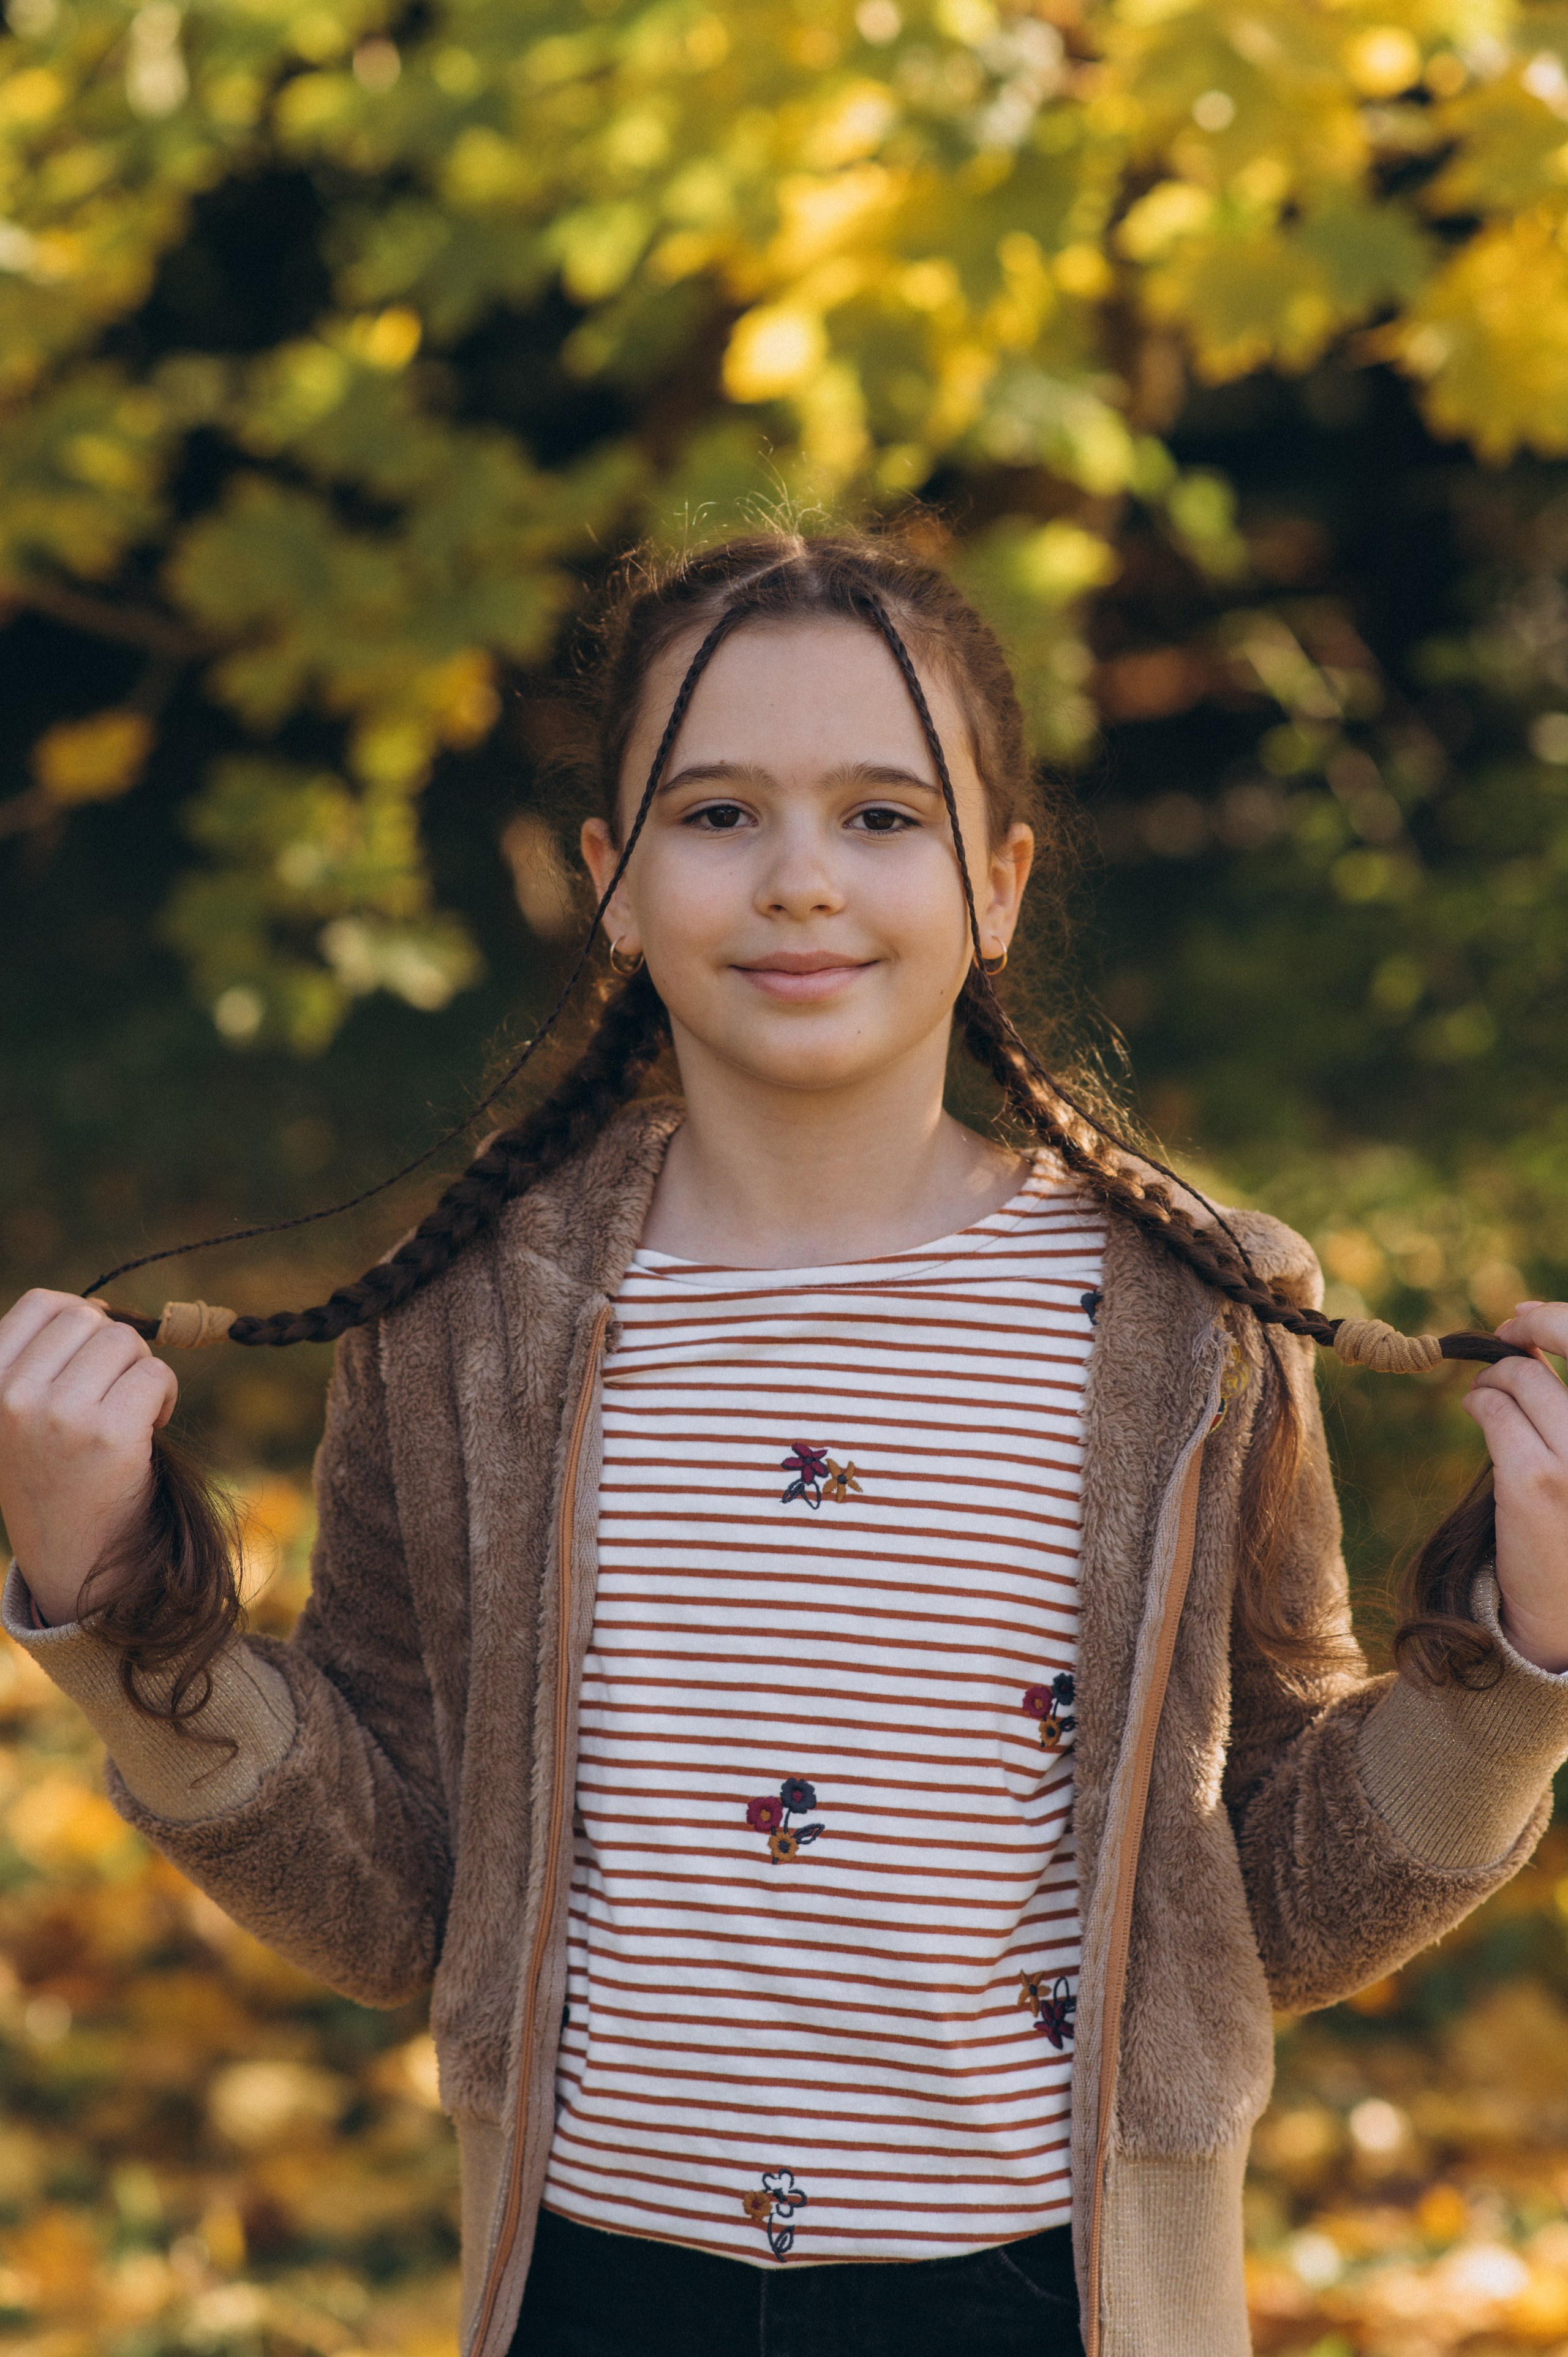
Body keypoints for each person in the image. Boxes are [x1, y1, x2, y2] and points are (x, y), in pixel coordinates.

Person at [3, 532, 1568, 2357]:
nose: (802, 883)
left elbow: (1274, 1899)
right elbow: (397, 1897)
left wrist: (1520, 1668)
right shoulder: (460, 1314)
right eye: (719, 813)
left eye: (884, 818)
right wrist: (110, 1607)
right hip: (593, 2290)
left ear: (998, 884)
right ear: (612, 879)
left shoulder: (1192, 1308)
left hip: (1052, 2301)